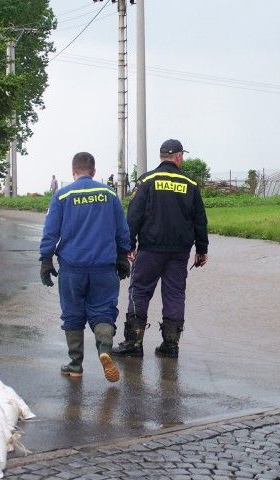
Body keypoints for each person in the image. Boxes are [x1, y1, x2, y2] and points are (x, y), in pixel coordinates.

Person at [39, 152, 132, 382]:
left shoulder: (62, 195)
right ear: (94, 170)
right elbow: (122, 230)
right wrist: (122, 256)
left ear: (73, 171)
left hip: (72, 267)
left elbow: (51, 231)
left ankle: (75, 365)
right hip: (103, 266)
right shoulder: (110, 194)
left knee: (72, 313)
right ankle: (104, 350)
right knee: (103, 311)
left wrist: (46, 260)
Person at [112, 139, 208, 359]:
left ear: (161, 156)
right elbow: (200, 220)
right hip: (179, 252)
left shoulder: (147, 180)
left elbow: (134, 215)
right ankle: (170, 345)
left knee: (140, 290)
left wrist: (128, 246)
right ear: (178, 157)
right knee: (175, 294)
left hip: (151, 249)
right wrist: (201, 250)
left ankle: (134, 342)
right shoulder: (190, 184)